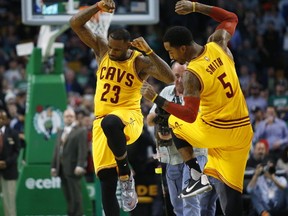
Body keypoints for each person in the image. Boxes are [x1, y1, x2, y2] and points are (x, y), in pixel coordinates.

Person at [141, 1, 253, 215]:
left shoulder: (192, 74)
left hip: (217, 130)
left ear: (183, 47)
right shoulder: (217, 44)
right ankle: (199, 178)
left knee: (174, 121)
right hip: (242, 132)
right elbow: (231, 18)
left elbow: (189, 116)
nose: (171, 56)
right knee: (232, 195)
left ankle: (194, 174)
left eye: (171, 52)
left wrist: (156, 98)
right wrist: (195, 6)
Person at [69, 1, 175, 215]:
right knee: (106, 183)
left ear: (129, 46)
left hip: (129, 117)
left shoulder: (139, 62)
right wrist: (97, 6)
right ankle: (120, 181)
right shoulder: (102, 49)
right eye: (111, 47)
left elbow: (170, 77)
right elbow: (75, 23)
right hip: (101, 121)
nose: (113, 52)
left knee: (112, 122)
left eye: (118, 49)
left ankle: (126, 176)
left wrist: (151, 52)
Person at [147, 61, 210, 216]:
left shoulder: (198, 92)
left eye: (183, 76)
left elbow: (196, 122)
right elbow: (149, 120)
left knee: (191, 201)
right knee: (177, 206)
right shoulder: (167, 92)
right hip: (172, 156)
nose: (179, 80)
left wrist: (172, 118)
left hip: (195, 154)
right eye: (176, 76)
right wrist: (160, 119)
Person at [51, 108, 88, 216]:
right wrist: (54, 167)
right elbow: (56, 150)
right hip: (61, 168)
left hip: (73, 168)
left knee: (76, 195)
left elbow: (83, 150)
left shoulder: (81, 131)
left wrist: (80, 165)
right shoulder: (60, 132)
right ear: (63, 118)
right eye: (67, 116)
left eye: (71, 116)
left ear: (74, 117)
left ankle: (78, 214)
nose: (69, 118)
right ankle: (71, 213)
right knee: (67, 195)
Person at [0, 109, 20, 216]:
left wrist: (6, 162)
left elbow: (17, 151)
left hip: (9, 171)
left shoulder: (13, 133)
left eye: (2, 118)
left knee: (9, 202)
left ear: (6, 120)